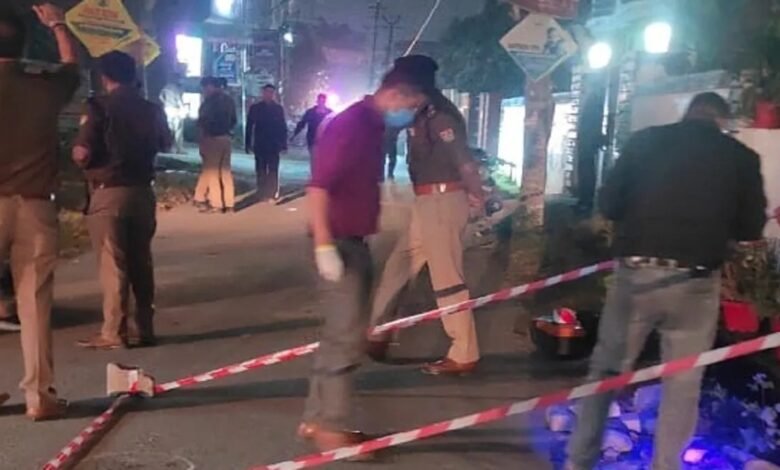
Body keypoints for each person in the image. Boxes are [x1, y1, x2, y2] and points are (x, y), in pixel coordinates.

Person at [566, 93, 767, 470]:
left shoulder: (645, 142)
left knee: (607, 373)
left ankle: (579, 462)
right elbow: (750, 227)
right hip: (695, 282)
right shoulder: (741, 157)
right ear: (722, 122)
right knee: (682, 383)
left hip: (636, 277)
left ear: (687, 115)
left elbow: (609, 204)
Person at [299, 66, 428, 455]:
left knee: (337, 336)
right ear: (396, 94)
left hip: (351, 241)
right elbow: (319, 187)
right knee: (346, 338)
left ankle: (316, 417)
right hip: (339, 244)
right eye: (413, 104)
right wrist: (324, 246)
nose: (413, 114)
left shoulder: (372, 125)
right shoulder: (353, 125)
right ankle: (331, 428)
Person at [366, 55, 484, 376]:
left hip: (444, 201)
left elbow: (463, 160)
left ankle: (464, 352)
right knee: (399, 265)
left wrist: (477, 194)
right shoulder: (418, 113)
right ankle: (378, 331)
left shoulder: (439, 115)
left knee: (447, 279)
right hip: (426, 203)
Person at [0, 3, 79, 420]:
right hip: (35, 205)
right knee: (34, 300)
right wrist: (59, 25)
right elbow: (72, 70)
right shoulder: (43, 87)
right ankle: (39, 396)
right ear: (25, 45)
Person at [72, 51, 172, 351]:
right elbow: (166, 143)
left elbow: (83, 152)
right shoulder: (152, 109)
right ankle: (145, 328)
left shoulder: (98, 107)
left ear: (105, 77)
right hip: (143, 192)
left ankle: (114, 331)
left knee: (113, 264)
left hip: (108, 192)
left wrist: (75, 156)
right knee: (141, 261)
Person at [195, 76, 236, 213]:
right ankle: (229, 203)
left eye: (205, 87)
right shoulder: (229, 101)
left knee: (213, 172)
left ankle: (216, 203)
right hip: (226, 138)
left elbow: (203, 121)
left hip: (212, 138)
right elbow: (234, 120)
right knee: (225, 172)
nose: (204, 90)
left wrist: (202, 138)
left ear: (210, 86)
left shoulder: (209, 102)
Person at [246, 84, 288, 202]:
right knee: (260, 169)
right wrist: (248, 143)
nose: (269, 95)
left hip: (274, 144)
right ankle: (261, 191)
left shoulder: (278, 109)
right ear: (263, 93)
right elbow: (249, 126)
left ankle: (272, 192)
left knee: (273, 169)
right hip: (260, 143)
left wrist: (283, 144)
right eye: (267, 92)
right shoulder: (256, 108)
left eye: (271, 92)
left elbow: (282, 127)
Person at [159, 72, 186, 154]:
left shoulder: (166, 87)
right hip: (175, 109)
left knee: (169, 129)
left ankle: (169, 148)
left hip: (167, 109)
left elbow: (160, 97)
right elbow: (179, 99)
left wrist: (165, 103)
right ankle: (179, 149)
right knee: (178, 129)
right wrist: (182, 108)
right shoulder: (176, 88)